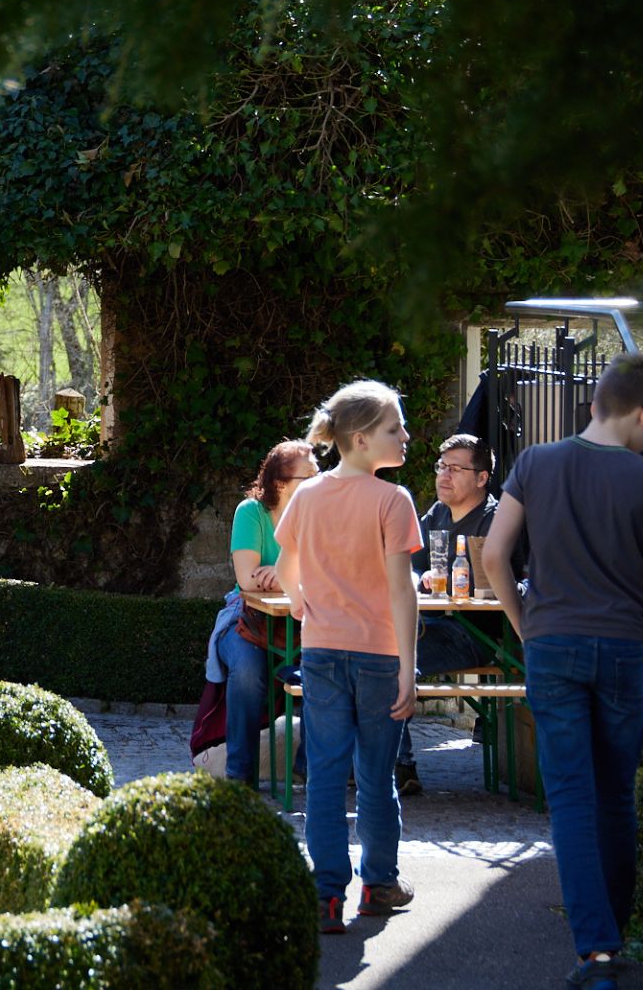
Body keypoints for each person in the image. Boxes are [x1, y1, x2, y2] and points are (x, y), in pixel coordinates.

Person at [482, 352, 643, 990]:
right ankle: (618, 937)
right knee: (615, 796)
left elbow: (495, 554)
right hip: (622, 648)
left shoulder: (536, 463)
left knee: (571, 798)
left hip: (552, 645)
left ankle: (597, 954)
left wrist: (527, 627)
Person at [275, 380, 421, 935]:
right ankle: (379, 884)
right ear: (360, 440)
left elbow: (287, 567)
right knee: (376, 776)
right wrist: (409, 667)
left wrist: (299, 604)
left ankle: (326, 894)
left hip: (321, 652)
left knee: (327, 775)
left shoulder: (308, 496)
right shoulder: (393, 499)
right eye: (394, 428)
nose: (405, 436)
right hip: (379, 656)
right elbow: (401, 591)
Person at [395, 433, 521, 795]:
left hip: (476, 634)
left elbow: (497, 584)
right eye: (441, 467)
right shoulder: (437, 514)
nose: (443, 476)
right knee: (373, 652)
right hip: (433, 623)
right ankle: (373, 765)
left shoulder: (496, 520)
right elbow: (409, 566)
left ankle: (399, 768)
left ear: (482, 478)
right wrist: (419, 579)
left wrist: (445, 583)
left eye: (455, 468)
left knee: (392, 662)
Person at [206, 441, 317, 786]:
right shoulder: (250, 512)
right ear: (281, 483)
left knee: (329, 666)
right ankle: (240, 775)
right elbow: (247, 579)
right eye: (309, 477)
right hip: (245, 620)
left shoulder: (320, 515)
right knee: (248, 671)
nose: (319, 483)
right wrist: (291, 577)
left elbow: (331, 574)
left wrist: (280, 576)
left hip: (303, 619)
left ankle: (309, 765)